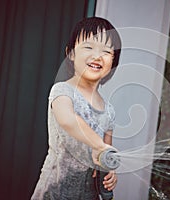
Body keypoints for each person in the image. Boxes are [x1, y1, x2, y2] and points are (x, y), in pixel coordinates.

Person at [31, 17, 122, 200]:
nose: (97, 56)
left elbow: (105, 153)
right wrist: (98, 145)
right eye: (88, 47)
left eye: (106, 51)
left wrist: (109, 172)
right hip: (53, 192)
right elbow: (68, 120)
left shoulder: (109, 111)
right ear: (71, 53)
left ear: (113, 62)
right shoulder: (62, 91)